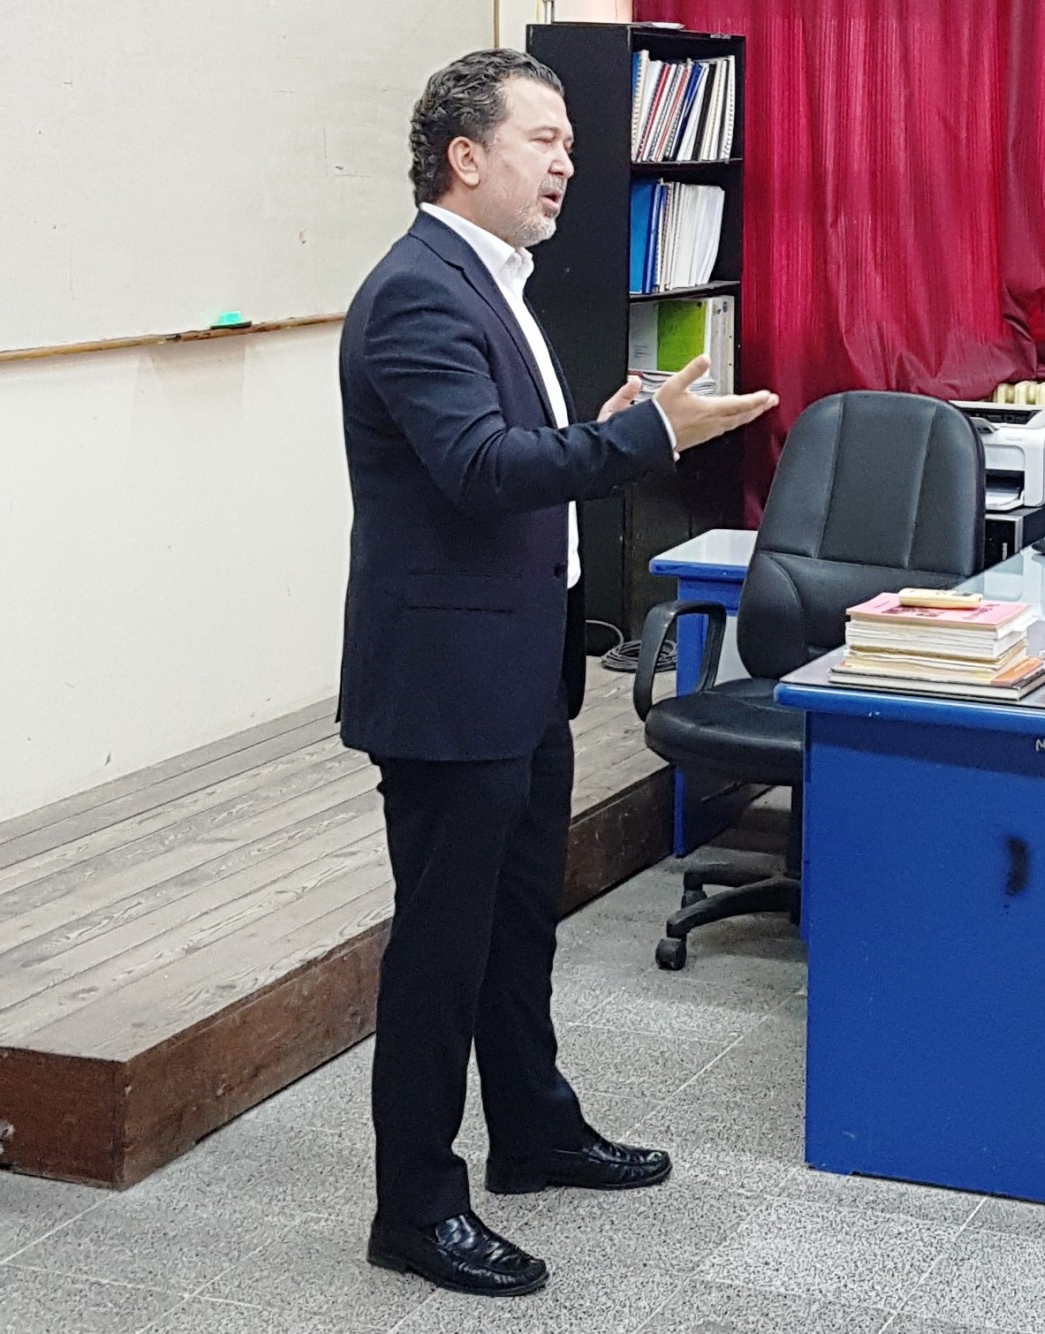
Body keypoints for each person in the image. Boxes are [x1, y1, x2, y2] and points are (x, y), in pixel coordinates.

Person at [336, 49, 776, 1298]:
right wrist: (641, 436)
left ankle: (532, 1129)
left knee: (516, 921)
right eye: (546, 140)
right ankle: (415, 1206)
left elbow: (511, 446)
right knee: (441, 948)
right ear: (463, 155)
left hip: (520, 667)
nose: (569, 164)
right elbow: (480, 468)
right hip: (448, 683)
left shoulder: (491, 280)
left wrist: (612, 417)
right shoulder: (418, 292)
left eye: (571, 144)